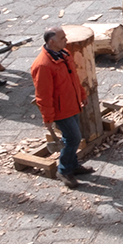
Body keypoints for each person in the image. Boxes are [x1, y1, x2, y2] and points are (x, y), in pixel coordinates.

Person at [31, 27, 91, 188]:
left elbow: (74, 77)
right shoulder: (43, 66)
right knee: (73, 138)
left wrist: (82, 95)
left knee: (71, 137)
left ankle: (73, 165)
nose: (66, 39)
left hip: (72, 104)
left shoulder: (64, 54)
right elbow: (43, 95)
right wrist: (48, 118)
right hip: (60, 110)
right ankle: (63, 170)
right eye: (62, 38)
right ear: (52, 42)